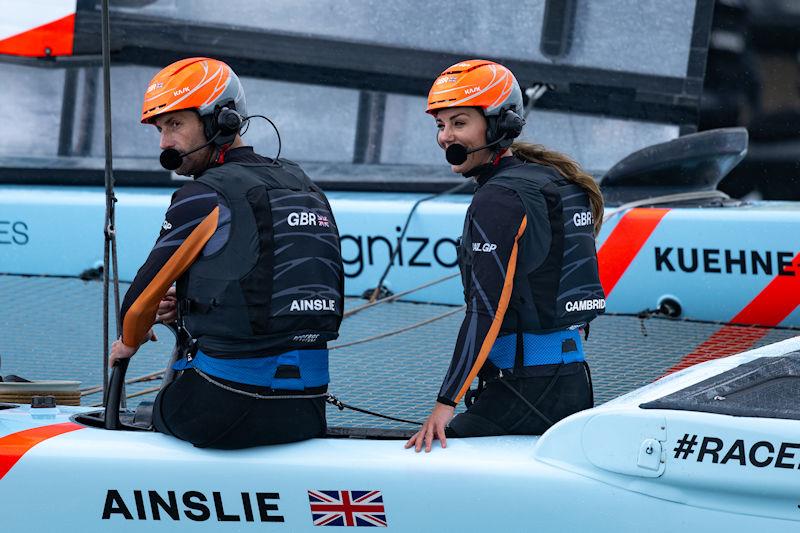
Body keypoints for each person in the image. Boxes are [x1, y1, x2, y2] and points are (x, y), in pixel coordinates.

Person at [110, 57, 344, 449]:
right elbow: (256, 282)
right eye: (160, 129)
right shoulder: (302, 182)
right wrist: (183, 304)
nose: (165, 143)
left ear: (223, 121)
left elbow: (135, 307)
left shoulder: (204, 193)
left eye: (175, 125)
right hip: (306, 408)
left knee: (154, 408)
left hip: (222, 411)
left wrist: (129, 341)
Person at [406, 59, 605, 452]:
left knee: (424, 452)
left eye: (459, 123)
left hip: (524, 390)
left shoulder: (499, 196)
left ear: (499, 124)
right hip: (572, 384)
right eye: (440, 125)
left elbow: (486, 309)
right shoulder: (557, 181)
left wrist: (445, 403)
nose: (446, 137)